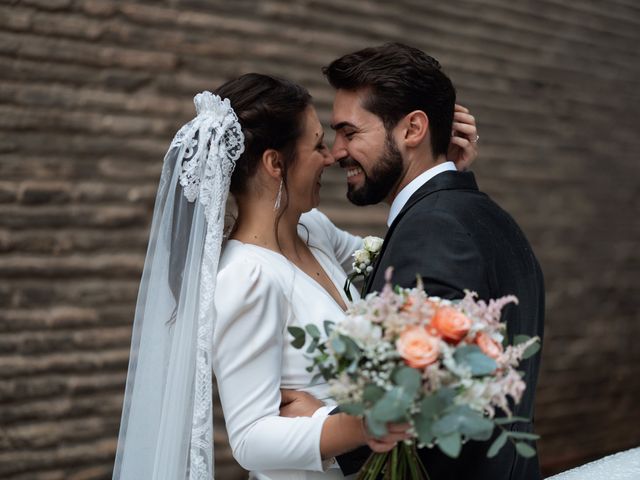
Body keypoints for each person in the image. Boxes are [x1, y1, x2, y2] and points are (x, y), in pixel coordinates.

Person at [112, 72, 478, 479]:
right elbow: (250, 438)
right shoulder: (247, 277)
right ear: (274, 163)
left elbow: (406, 257)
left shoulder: (314, 230)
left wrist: (439, 175)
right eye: (318, 144)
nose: (332, 156)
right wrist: (361, 423)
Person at [283, 43, 545, 480]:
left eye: (349, 132)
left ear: (412, 129)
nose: (336, 151)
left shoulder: (434, 230)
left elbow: (429, 398)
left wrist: (327, 424)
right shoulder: (483, 217)